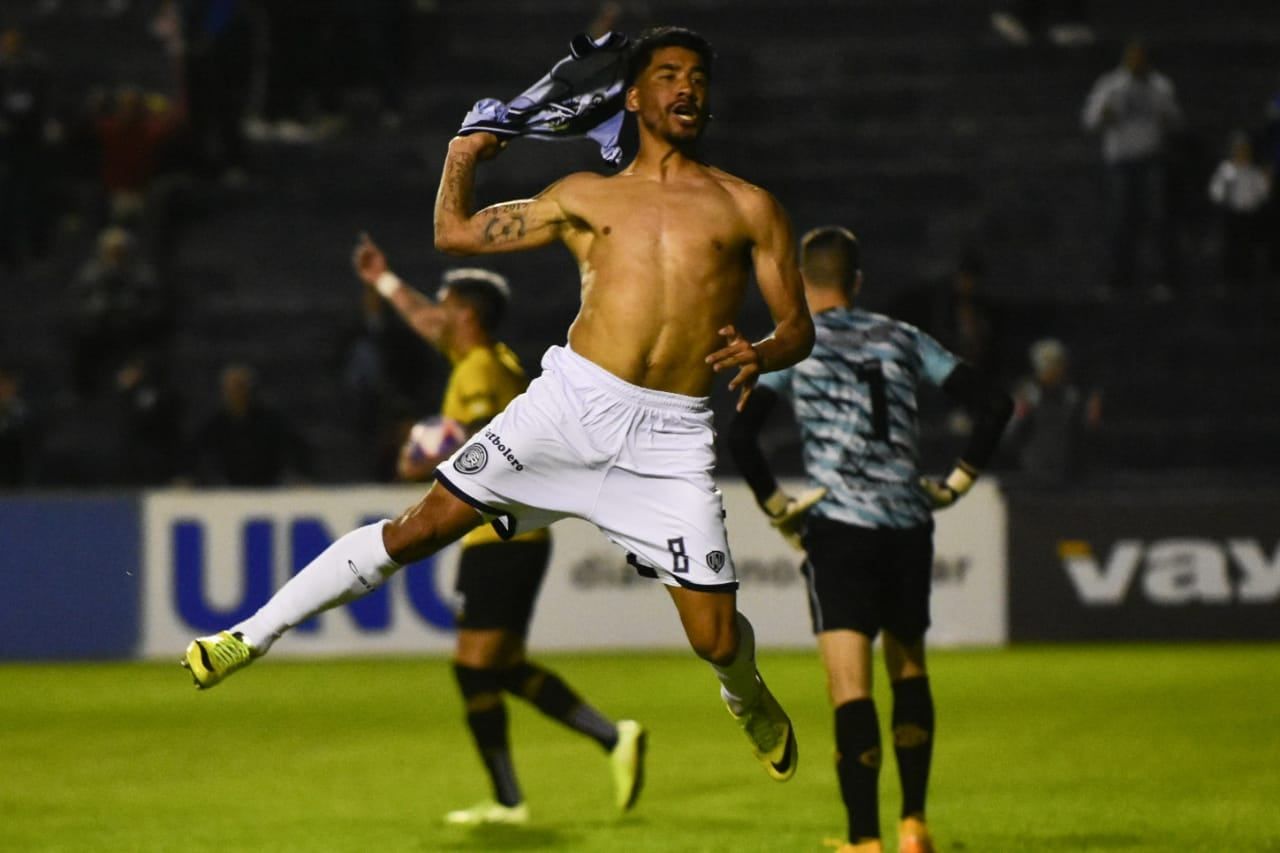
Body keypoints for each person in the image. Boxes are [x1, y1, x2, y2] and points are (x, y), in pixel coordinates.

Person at [181, 26, 814, 788]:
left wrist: (763, 352)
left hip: (669, 438)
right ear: (635, 95)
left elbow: (798, 329)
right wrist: (464, 153)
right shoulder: (583, 196)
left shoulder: (749, 207)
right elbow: (454, 234)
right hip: (568, 408)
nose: (688, 88)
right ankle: (246, 636)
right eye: (670, 74)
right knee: (416, 530)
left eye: (699, 77)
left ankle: (744, 695)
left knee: (715, 638)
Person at [727, 227, 1013, 853]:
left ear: (800, 281)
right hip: (908, 524)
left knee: (849, 686)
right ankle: (914, 825)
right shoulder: (903, 337)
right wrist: (958, 482)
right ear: (856, 283)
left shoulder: (796, 344)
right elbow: (995, 404)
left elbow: (741, 438)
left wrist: (778, 508)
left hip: (841, 529)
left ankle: (864, 840)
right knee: (909, 671)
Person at [352, 235, 646, 823]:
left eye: (445, 305)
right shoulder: (485, 361)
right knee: (503, 665)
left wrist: (428, 461)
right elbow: (425, 326)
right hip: (508, 537)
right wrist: (384, 281)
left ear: (467, 314)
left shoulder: (484, 370)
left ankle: (509, 801)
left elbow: (488, 444)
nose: (434, 313)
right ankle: (613, 738)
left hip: (499, 540)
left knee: (472, 666)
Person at [1081, 39, 1184, 300]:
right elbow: (1089, 120)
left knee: (1158, 220)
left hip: (1151, 159)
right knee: (1120, 220)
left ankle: (1162, 278)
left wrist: (1166, 118)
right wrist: (1103, 116)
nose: (1137, 62)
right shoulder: (1110, 86)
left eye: (1141, 57)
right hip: (1121, 161)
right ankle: (1118, 278)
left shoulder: (1160, 86)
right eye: (1132, 57)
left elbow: (1176, 120)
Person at [189, 362, 310, 486]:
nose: (236, 393)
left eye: (240, 387)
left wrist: (300, 476)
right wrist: (189, 478)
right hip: (226, 490)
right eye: (231, 388)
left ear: (250, 389)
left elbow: (296, 448)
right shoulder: (215, 423)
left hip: (268, 488)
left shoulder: (271, 421)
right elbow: (196, 451)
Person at [1006, 338, 1101, 486]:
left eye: (1061, 364)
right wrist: (1022, 411)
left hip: (1065, 472)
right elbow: (1011, 433)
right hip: (1032, 472)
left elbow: (1082, 432)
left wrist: (1090, 416)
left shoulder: (1071, 395)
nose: (1061, 370)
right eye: (1055, 365)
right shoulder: (1028, 393)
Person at [1207, 131, 1272, 288]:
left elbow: (1263, 193)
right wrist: (1223, 192)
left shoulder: (1254, 170)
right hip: (1232, 213)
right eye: (1238, 148)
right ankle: (1231, 277)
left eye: (1244, 148)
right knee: (1232, 245)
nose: (1241, 151)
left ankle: (1247, 277)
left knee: (1248, 246)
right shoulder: (1227, 169)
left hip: (1250, 214)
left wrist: (1266, 180)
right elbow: (1215, 192)